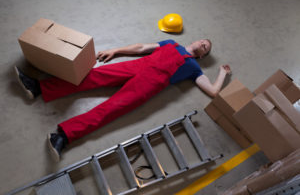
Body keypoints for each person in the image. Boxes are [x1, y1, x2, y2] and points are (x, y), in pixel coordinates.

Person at [14, 39, 231, 162]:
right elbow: (142, 48)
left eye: (206, 47)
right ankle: (38, 87)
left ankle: (62, 137)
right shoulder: (171, 43)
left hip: (149, 85)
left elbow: (212, 91)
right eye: (202, 41)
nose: (203, 44)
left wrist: (221, 74)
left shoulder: (194, 68)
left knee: (111, 109)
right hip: (136, 66)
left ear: (202, 56)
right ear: (194, 40)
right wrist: (116, 50)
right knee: (91, 77)